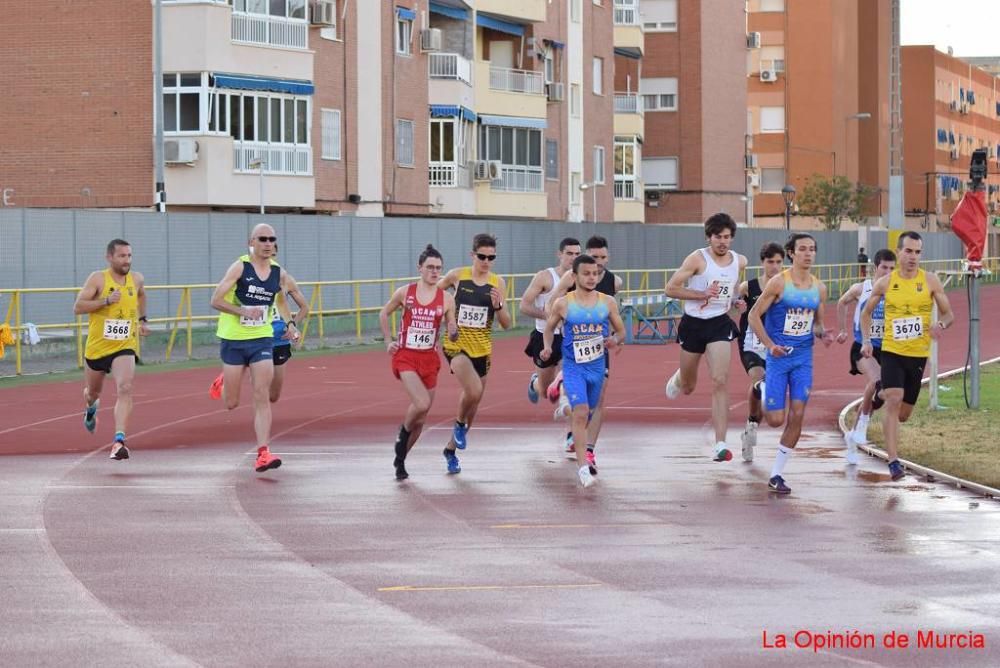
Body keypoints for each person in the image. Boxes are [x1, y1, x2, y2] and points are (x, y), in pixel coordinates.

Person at [748, 233, 838, 494]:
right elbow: (754, 316)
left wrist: (824, 334)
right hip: (778, 358)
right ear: (791, 253)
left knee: (798, 414)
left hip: (802, 359)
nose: (808, 254)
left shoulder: (819, 288)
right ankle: (763, 389)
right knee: (775, 419)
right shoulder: (779, 283)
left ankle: (777, 474)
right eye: (802, 249)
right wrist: (769, 345)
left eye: (812, 249)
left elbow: (817, 323)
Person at [860, 231, 954, 481]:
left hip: (918, 355)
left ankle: (881, 392)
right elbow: (866, 313)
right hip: (892, 351)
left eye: (918, 252)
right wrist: (867, 340)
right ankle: (893, 462)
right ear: (899, 251)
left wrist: (940, 326)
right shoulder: (886, 283)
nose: (913, 257)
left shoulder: (931, 281)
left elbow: (948, 315)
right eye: (909, 251)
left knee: (903, 413)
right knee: (895, 399)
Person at [209, 224, 299, 474]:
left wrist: (290, 323)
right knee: (231, 403)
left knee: (262, 395)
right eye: (263, 239)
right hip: (234, 340)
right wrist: (242, 311)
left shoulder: (278, 273)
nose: (268, 243)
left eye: (272, 239)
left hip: (261, 338)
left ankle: (263, 453)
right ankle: (224, 382)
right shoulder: (240, 267)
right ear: (252, 241)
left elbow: (280, 301)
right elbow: (215, 300)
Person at [664, 213, 748, 462]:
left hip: (719, 324)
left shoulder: (739, 261)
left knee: (720, 380)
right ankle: (681, 377)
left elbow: (731, 288)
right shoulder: (697, 259)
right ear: (708, 237)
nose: (723, 242)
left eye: (727, 237)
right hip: (693, 325)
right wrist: (700, 294)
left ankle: (720, 443)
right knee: (689, 387)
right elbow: (670, 288)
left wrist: (735, 302)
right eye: (718, 237)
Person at [541, 255, 626, 487]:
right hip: (573, 367)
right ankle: (582, 468)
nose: (591, 278)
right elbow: (548, 329)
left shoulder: (607, 302)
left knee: (586, 413)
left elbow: (621, 331)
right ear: (575, 276)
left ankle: (564, 406)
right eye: (586, 273)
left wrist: (615, 340)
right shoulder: (563, 303)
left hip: (597, 368)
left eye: (595, 273)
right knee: (581, 413)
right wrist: (547, 348)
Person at [379, 244, 458, 480]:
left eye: (438, 268)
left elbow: (451, 328)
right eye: (430, 267)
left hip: (429, 359)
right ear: (420, 268)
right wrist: (387, 340)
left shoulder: (447, 299)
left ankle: (401, 459)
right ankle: (402, 433)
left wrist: (453, 330)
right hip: (406, 356)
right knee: (421, 403)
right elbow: (384, 313)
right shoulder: (406, 292)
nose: (435, 272)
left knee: (421, 419)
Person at [437, 234, 512, 473]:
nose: (486, 261)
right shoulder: (457, 275)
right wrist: (447, 320)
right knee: (473, 390)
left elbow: (507, 324)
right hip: (456, 344)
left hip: (482, 349)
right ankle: (458, 425)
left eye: (491, 257)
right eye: (482, 256)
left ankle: (450, 450)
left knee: (474, 404)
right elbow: (433, 298)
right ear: (473, 255)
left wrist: (498, 305)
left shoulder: (497, 282)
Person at [73, 239, 151, 460]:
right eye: (122, 256)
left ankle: (119, 441)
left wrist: (143, 319)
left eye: (129, 256)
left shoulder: (136, 279)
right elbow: (78, 307)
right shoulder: (98, 278)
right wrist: (105, 300)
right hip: (98, 348)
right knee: (93, 393)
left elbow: (142, 294)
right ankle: (90, 409)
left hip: (124, 345)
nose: (127, 260)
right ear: (109, 257)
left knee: (125, 387)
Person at [210, 244, 310, 404]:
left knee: (273, 396)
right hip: (254, 335)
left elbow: (304, 307)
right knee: (246, 392)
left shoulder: (284, 279)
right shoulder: (246, 277)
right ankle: (226, 381)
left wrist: (292, 326)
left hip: (278, 338)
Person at [836, 248, 896, 463]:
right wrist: (842, 329)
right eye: (884, 267)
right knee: (876, 381)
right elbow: (841, 302)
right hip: (863, 346)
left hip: (887, 349)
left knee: (880, 390)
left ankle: (855, 433)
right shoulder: (862, 288)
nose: (888, 272)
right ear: (875, 267)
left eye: (891, 268)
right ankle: (861, 428)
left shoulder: (896, 289)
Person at [735, 242, 786, 463]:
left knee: (766, 396)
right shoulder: (749, 286)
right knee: (759, 381)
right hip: (751, 342)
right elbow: (733, 301)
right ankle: (751, 425)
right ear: (762, 262)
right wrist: (736, 303)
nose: (774, 266)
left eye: (778, 262)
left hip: (775, 345)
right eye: (770, 262)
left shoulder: (786, 287)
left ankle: (750, 425)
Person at [520, 237, 581, 406]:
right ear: (559, 254)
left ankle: (570, 413)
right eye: (569, 253)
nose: (573, 257)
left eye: (577, 254)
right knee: (546, 392)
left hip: (569, 338)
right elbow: (524, 305)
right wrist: (550, 317)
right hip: (544, 336)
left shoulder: (582, 279)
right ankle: (535, 383)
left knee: (570, 380)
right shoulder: (545, 277)